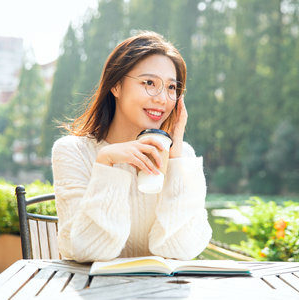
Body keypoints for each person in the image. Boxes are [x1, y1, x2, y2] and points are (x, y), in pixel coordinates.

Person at [52, 31, 212, 262]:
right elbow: (86, 251)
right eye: (149, 83)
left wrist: (176, 163)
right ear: (116, 86)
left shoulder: (180, 155)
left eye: (171, 87)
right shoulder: (72, 151)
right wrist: (107, 165)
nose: (162, 98)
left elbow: (181, 250)